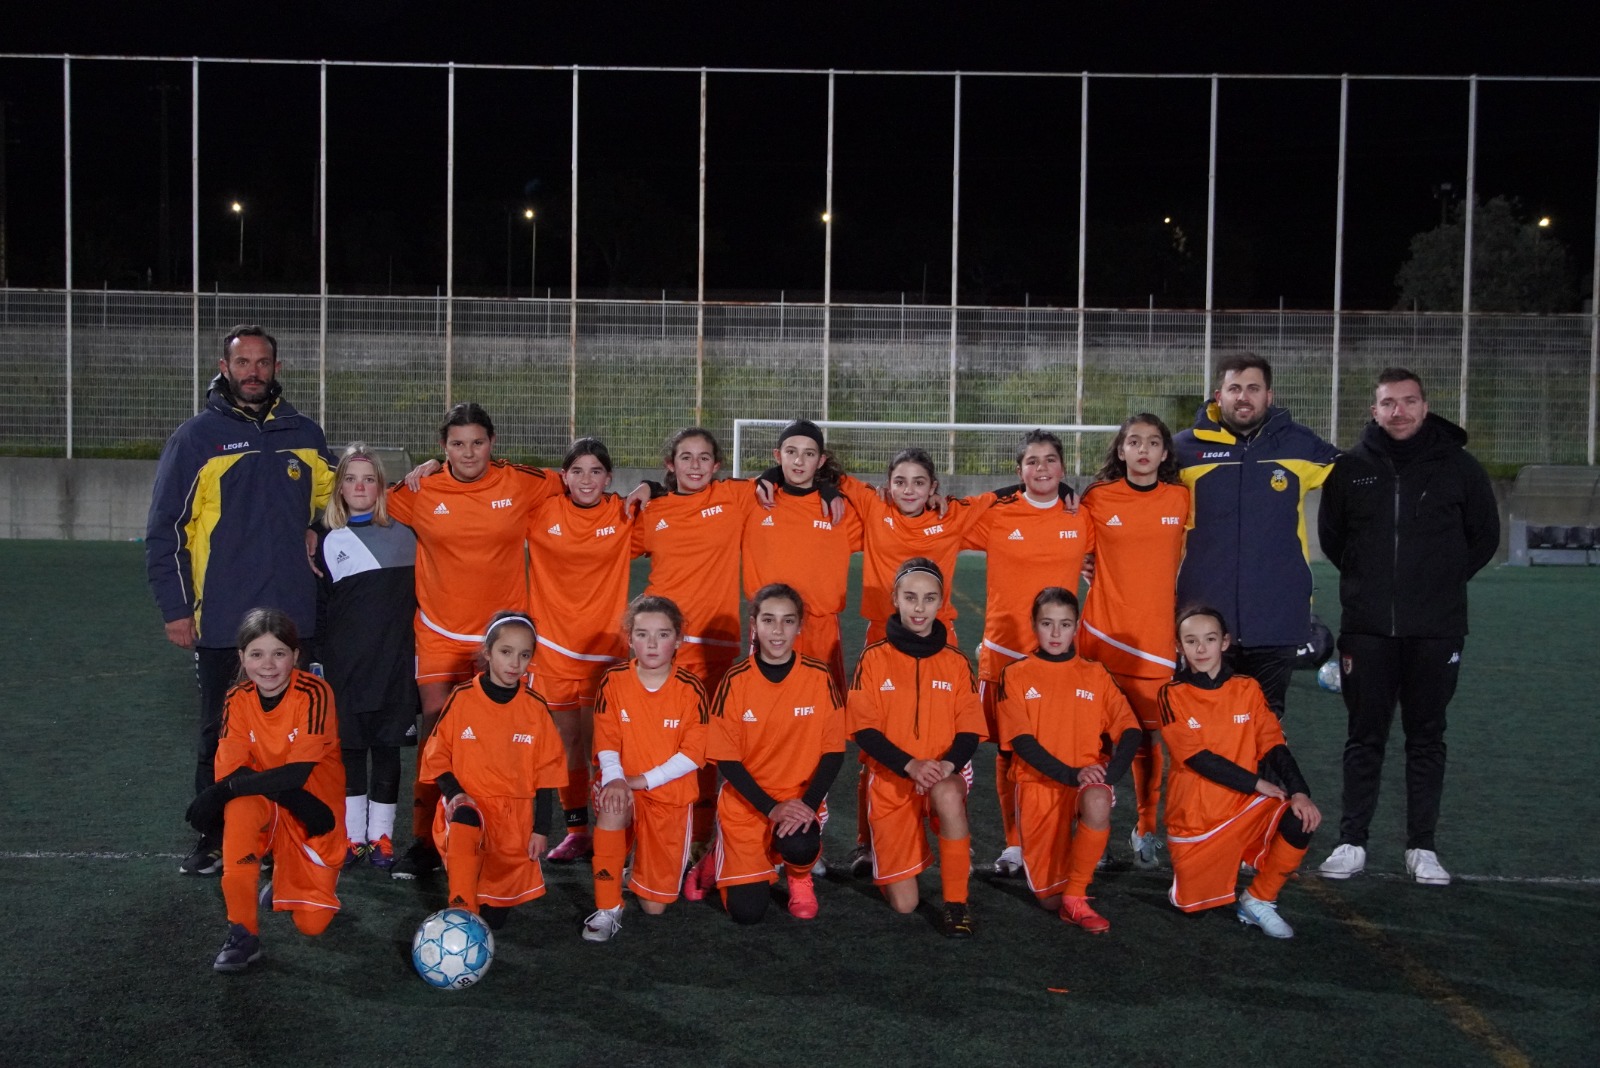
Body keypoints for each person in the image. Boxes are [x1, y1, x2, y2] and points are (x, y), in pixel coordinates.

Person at [148, 324, 336, 877]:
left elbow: (334, 504)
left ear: (277, 369)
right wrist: (176, 608)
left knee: (299, 734)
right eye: (243, 362)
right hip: (225, 620)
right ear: (225, 368)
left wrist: (317, 530)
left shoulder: (305, 432)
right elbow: (167, 529)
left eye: (262, 362)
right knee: (219, 733)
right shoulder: (196, 438)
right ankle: (212, 836)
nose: (253, 371)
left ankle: (288, 835)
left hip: (295, 619)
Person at [1315, 369, 1499, 886]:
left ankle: (1423, 848)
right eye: (1388, 403)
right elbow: (1333, 537)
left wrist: (1438, 583)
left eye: (1409, 401)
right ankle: (1352, 841)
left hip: (1436, 630)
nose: (1400, 411)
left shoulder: (1460, 468)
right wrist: (1369, 585)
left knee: (1426, 738)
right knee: (1363, 736)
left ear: (1425, 405)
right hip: (1368, 628)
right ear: (1373, 411)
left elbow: (1483, 536)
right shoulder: (1350, 469)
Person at [385, 403, 564, 880]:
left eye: (478, 442)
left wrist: (650, 487)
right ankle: (426, 839)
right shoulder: (421, 488)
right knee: (435, 737)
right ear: (442, 447)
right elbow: (363, 498)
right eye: (457, 444)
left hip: (503, 636)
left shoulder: (522, 481)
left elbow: (577, 480)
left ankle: (508, 832)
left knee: (506, 736)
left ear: (493, 442)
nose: (468, 453)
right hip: (441, 633)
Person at [1173, 353, 1340, 718]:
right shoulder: (1183, 450)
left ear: (1270, 395)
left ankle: (1265, 779)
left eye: (1253, 388)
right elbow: (1131, 491)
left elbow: (1361, 479)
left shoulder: (1299, 445)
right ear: (1219, 395)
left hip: (1276, 615)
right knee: (1205, 722)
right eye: (1235, 388)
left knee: (1265, 724)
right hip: (1204, 616)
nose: (1243, 397)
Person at [185, 608, 345, 972]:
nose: (268, 665)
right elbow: (234, 768)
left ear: (295, 656)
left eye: (279, 653)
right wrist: (232, 789)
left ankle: (287, 875)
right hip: (269, 799)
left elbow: (298, 774)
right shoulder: (236, 698)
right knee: (239, 814)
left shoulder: (315, 693)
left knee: (311, 925)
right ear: (242, 658)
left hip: (312, 806)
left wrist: (220, 791)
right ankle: (243, 934)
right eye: (256, 654)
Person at [964, 430, 1093, 878]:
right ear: (1019, 470)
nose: (1042, 469)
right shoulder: (999, 515)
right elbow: (952, 522)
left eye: (1050, 460)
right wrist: (1000, 494)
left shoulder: (1082, 516)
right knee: (1007, 753)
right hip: (1004, 653)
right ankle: (1014, 844)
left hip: (1059, 659)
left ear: (1063, 467)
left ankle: (1062, 836)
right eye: (1032, 462)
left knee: (1062, 749)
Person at [686, 584, 846, 923]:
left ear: (800, 626)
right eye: (769, 620)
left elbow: (833, 752)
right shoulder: (735, 681)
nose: (778, 631)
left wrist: (805, 805)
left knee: (800, 844)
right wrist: (771, 808)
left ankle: (799, 877)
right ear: (754, 624)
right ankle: (717, 858)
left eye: (788, 621)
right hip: (749, 805)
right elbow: (726, 758)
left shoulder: (819, 677)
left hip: (800, 800)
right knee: (747, 913)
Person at [1158, 606, 1321, 939]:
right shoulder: (1170, 695)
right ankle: (1214, 870)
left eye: (1210, 639)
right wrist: (1256, 783)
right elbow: (1197, 758)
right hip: (1196, 819)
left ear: (1225, 642)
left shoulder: (1247, 689)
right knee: (1193, 911)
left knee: (1300, 816)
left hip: (1244, 807)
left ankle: (1260, 898)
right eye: (1191, 641)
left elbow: (1273, 744)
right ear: (1178, 646)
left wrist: (1300, 791)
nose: (1201, 649)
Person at [847, 558, 985, 938]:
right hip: (893, 780)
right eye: (910, 598)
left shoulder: (956, 663)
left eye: (929, 598)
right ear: (895, 599)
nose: (919, 608)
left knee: (947, 794)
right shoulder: (872, 659)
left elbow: (970, 731)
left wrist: (945, 767)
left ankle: (957, 902)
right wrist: (909, 765)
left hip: (942, 774)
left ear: (941, 602)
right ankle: (895, 848)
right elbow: (863, 730)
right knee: (904, 904)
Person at [1077, 415, 1190, 870]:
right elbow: (1074, 544)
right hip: (1102, 637)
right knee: (1092, 740)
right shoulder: (1098, 499)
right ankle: (1089, 827)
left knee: (1147, 741)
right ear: (1120, 451)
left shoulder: (1181, 499)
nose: (1143, 450)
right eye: (1134, 442)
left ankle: (1145, 828)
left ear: (1165, 454)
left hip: (1155, 643)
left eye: (1153, 443)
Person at [997, 587, 1142, 933]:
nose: (1057, 633)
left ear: (1077, 626)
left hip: (1084, 784)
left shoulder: (1095, 674)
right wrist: (1073, 773)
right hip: (1040, 784)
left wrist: (1106, 778)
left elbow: (1131, 730)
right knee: (1049, 900)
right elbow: (1021, 742)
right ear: (1034, 625)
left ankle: (1077, 894)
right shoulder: (1015, 675)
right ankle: (1070, 875)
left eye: (1065, 624)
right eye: (1048, 623)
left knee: (1097, 799)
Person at [525, 438, 637, 864]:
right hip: (551, 650)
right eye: (577, 471)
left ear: (609, 478)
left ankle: (614, 830)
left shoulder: (624, 513)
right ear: (564, 476)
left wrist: (650, 487)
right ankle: (576, 831)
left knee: (602, 749)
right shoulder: (542, 513)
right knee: (565, 746)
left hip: (604, 653)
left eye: (595, 471)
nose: (586, 479)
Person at [417, 612, 567, 928]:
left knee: (494, 918)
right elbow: (437, 755)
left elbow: (547, 775)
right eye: (506, 651)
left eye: (525, 655)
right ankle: (459, 905)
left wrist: (541, 828)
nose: (515, 663)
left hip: (514, 821)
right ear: (487, 652)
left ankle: (477, 903)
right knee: (466, 820)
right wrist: (455, 793)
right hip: (468, 805)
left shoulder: (536, 709)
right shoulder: (462, 698)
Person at [312, 443, 419, 870]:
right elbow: (319, 610)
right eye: (351, 479)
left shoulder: (407, 533)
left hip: (395, 665)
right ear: (339, 488)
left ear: (381, 487)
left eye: (369, 478)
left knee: (388, 750)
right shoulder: (323, 541)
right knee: (351, 752)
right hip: (345, 669)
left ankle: (383, 838)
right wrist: (318, 662)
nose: (360, 486)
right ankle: (353, 838)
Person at [583, 596, 710, 942]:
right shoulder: (613, 681)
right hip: (621, 786)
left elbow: (692, 755)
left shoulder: (691, 689)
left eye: (663, 634)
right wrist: (618, 781)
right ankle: (608, 906)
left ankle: (635, 869)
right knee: (612, 803)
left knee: (654, 906)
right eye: (642, 634)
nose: (652, 644)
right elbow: (606, 741)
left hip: (668, 794)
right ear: (629, 638)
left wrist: (640, 780)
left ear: (679, 640)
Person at [742, 420, 862, 693]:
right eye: (790, 451)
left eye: (809, 454)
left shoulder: (839, 511)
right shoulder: (752, 500)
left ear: (820, 461)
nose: (799, 460)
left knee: (824, 708)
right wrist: (649, 487)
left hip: (820, 628)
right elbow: (700, 489)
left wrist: (832, 487)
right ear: (777, 455)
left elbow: (882, 507)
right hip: (770, 623)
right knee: (764, 705)